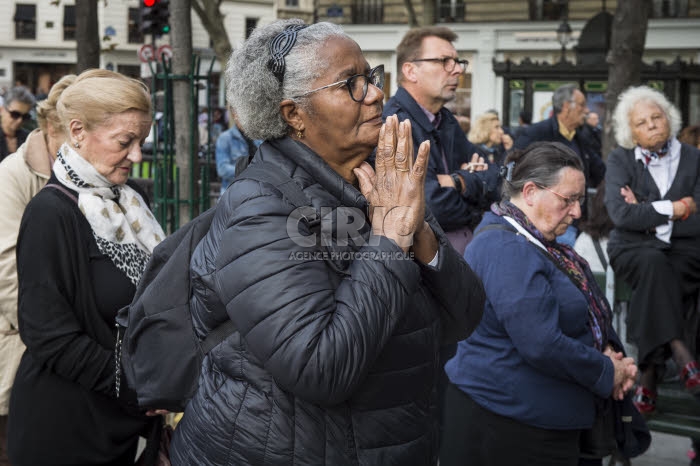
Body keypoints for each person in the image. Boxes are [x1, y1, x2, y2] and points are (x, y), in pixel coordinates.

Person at [169, 19, 486, 466]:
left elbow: (466, 316)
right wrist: (390, 237)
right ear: (294, 114)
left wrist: (420, 234)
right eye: (350, 84)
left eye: (370, 77)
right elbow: (320, 367)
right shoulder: (260, 206)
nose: (375, 93)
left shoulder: (384, 178)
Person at [441, 141, 637, 466]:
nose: (577, 212)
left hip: (533, 421)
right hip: (508, 427)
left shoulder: (537, 241)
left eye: (580, 199)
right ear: (530, 192)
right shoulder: (506, 246)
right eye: (568, 200)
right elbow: (541, 343)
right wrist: (606, 370)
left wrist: (608, 356)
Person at [7, 69, 165, 466]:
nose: (136, 156)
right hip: (65, 430)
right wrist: (137, 385)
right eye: (125, 142)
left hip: (121, 423)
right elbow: (49, 336)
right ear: (77, 131)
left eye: (141, 142)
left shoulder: (127, 203)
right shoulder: (50, 212)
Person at [604, 85, 700, 415]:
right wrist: (676, 209)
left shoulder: (694, 158)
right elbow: (620, 215)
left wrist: (646, 209)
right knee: (653, 261)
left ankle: (649, 369)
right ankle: (681, 351)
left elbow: (698, 217)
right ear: (630, 131)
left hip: (684, 251)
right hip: (630, 248)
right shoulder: (620, 158)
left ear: (669, 118)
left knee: (659, 265)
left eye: (656, 117)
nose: (651, 125)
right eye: (642, 123)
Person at [0, 74, 76, 466]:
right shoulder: (13, 174)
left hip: (59, 354)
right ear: (51, 128)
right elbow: (7, 271)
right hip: (21, 348)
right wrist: (49, 337)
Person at [383, 25, 501, 256]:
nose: (457, 70)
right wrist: (476, 195)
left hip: (462, 255)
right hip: (427, 269)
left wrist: (457, 181)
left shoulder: (445, 120)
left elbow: (494, 175)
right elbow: (432, 208)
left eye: (458, 62)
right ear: (411, 71)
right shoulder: (395, 124)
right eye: (445, 61)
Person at [514, 84, 606, 246]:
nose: (586, 110)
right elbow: (512, 172)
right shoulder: (536, 134)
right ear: (566, 107)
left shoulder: (583, 138)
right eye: (582, 105)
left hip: (578, 223)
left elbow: (601, 172)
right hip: (545, 226)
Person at [214, 112, 262, 194]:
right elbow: (222, 169)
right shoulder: (225, 138)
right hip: (233, 193)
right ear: (234, 115)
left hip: (256, 192)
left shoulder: (258, 138)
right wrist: (249, 171)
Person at [0, 86, 35, 162]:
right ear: (2, 110)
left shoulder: (29, 139)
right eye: (15, 114)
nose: (20, 120)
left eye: (25, 116)